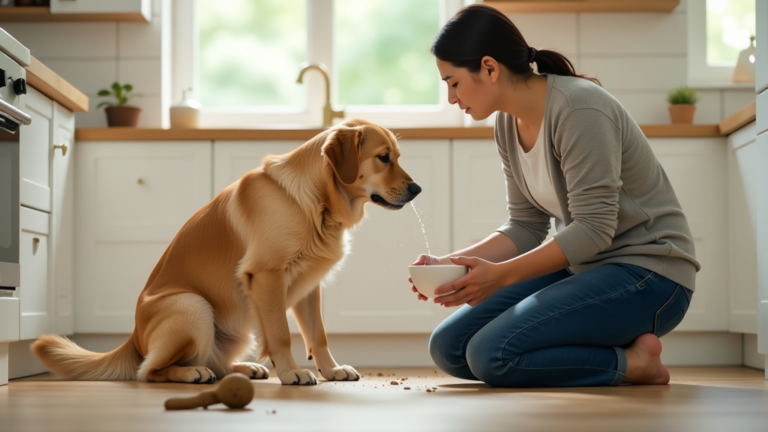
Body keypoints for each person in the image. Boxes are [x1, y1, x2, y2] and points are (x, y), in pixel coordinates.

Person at [410, 4, 700, 388]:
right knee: (449, 347)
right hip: (585, 268)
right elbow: (526, 225)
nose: (450, 98)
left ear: (490, 68)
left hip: (650, 276)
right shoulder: (506, 125)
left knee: (489, 355)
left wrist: (500, 277)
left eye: (453, 82)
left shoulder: (579, 108)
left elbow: (594, 229)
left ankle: (633, 364)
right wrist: (451, 265)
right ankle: (614, 348)